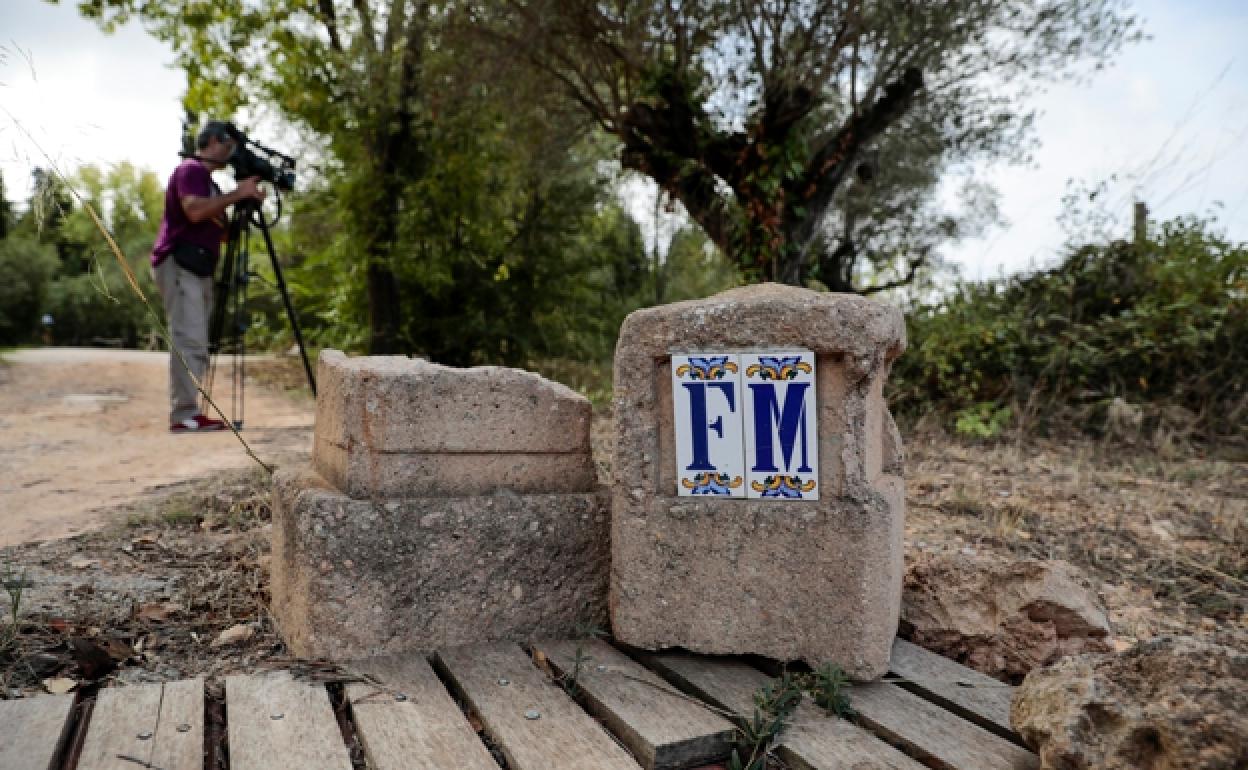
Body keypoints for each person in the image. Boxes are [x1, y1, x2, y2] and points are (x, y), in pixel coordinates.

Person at [151, 121, 266, 433]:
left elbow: (224, 234)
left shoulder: (211, 184)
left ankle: (191, 412)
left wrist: (245, 204)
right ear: (214, 141)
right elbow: (194, 211)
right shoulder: (191, 170)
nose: (231, 153)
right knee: (189, 338)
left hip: (199, 268)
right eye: (228, 145)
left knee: (197, 339)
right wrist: (236, 193)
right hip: (179, 263)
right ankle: (184, 415)